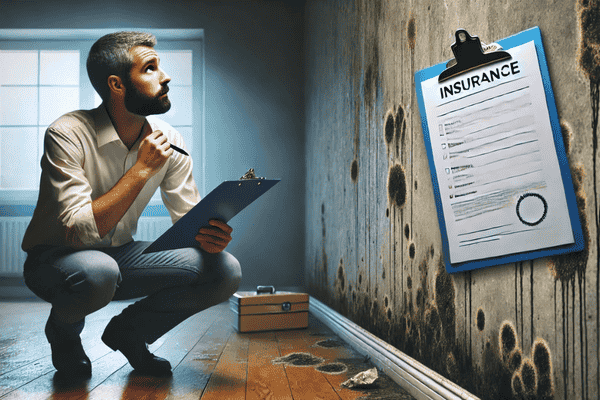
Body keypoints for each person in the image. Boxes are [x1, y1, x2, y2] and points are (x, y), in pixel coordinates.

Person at [21, 31, 241, 378]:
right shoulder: (66, 132)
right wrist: (140, 170)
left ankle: (131, 333)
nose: (165, 77)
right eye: (150, 68)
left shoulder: (170, 140)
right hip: (55, 259)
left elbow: (189, 220)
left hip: (121, 255)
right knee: (98, 272)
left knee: (225, 269)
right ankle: (62, 333)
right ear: (117, 85)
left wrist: (209, 236)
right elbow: (79, 231)